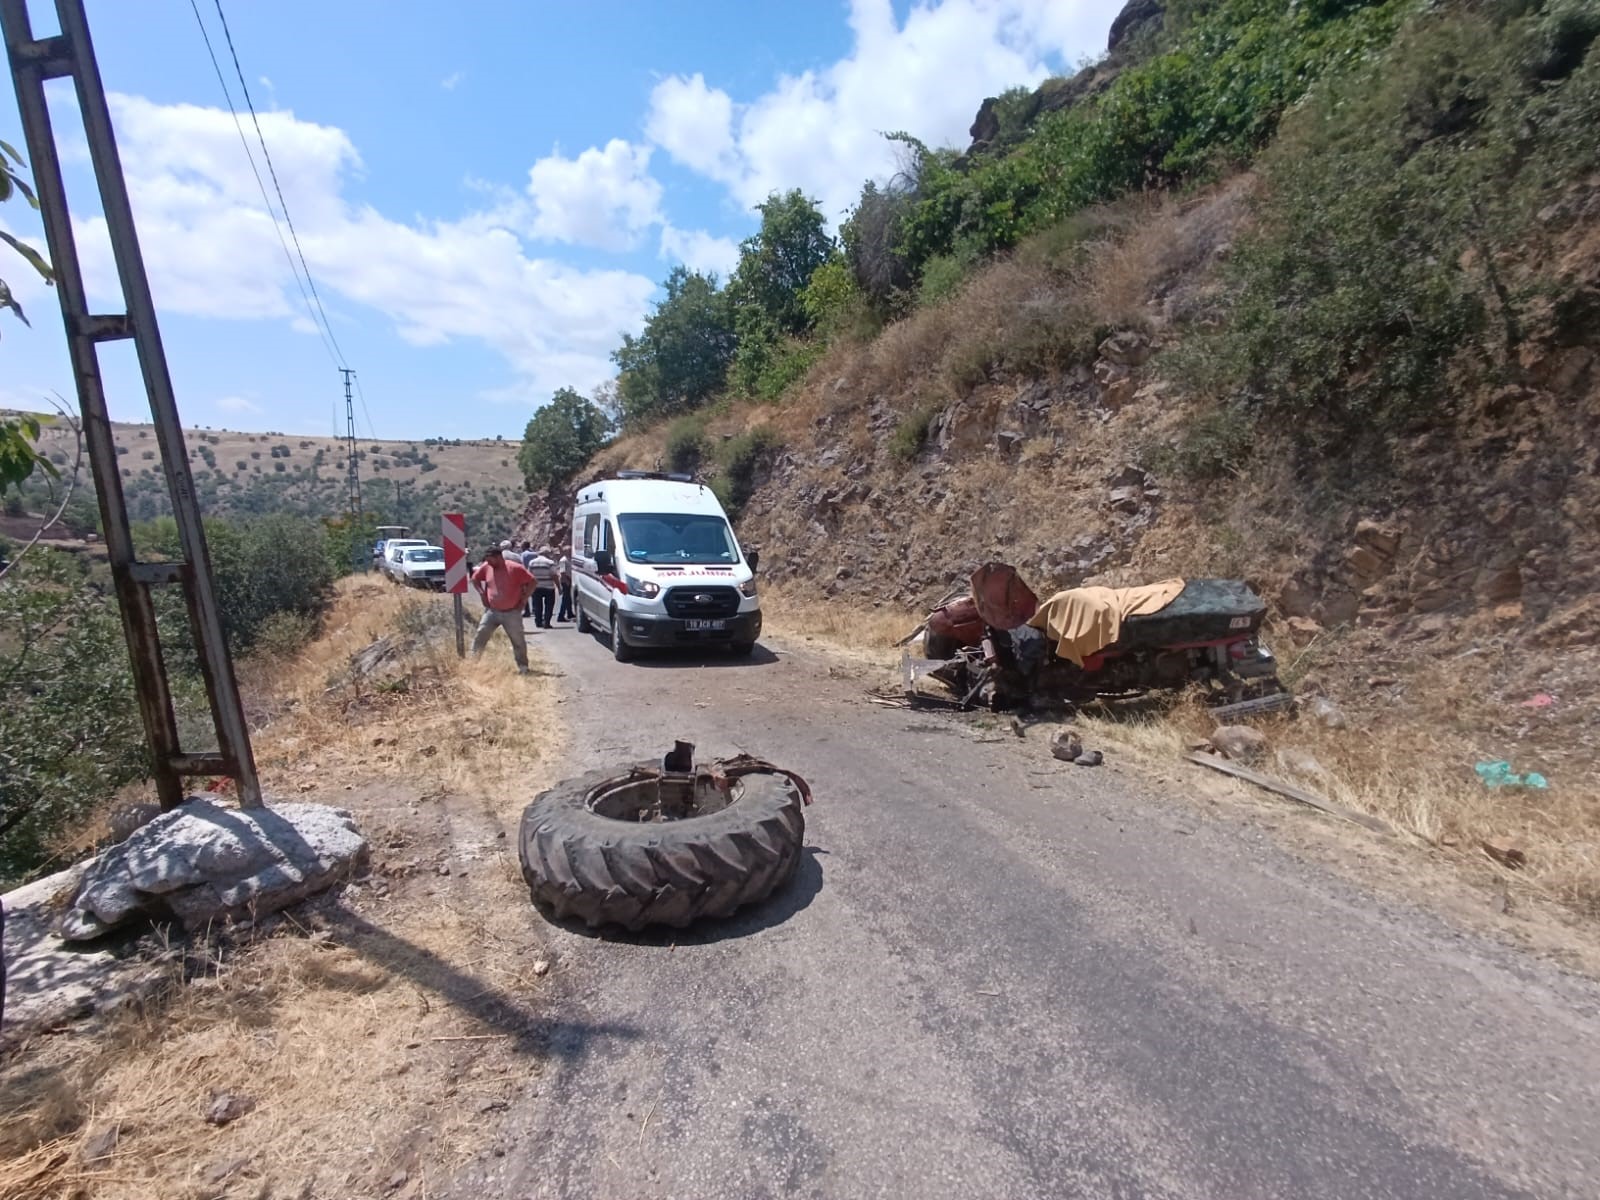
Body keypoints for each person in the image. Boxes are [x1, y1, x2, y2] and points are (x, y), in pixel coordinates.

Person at [470, 541, 535, 672]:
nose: (488, 563)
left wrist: (524, 600)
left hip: (511, 612)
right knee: (481, 635)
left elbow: (532, 581)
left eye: (491, 560)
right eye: (487, 561)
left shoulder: (514, 568)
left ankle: (523, 666)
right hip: (492, 612)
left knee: (518, 640)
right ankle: (472, 664)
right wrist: (482, 594)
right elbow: (474, 579)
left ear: (499, 557)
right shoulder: (487, 567)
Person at [525, 545, 558, 628]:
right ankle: (547, 623)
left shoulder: (532, 562)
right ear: (547, 554)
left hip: (536, 587)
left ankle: (538, 622)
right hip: (549, 587)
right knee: (549, 605)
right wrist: (559, 587)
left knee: (537, 605)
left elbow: (529, 575)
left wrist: (528, 587)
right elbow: (554, 575)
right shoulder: (550, 562)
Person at [555, 545, 573, 622]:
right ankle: (560, 616)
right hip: (565, 581)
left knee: (568, 598)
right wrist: (566, 581)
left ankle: (570, 613)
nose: (570, 552)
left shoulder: (570, 559)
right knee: (565, 598)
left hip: (570, 579)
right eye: (569, 550)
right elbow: (562, 572)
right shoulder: (563, 560)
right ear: (565, 551)